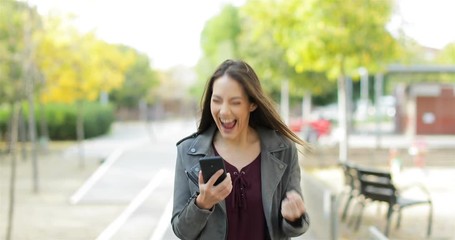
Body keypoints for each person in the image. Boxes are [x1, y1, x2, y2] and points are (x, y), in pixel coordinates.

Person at [171, 59, 310, 240]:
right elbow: (182, 231)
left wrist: (294, 217)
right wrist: (202, 203)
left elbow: (295, 228)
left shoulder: (283, 149)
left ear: (252, 104)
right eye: (217, 101)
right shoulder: (187, 152)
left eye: (235, 102)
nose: (224, 112)